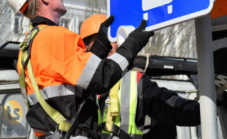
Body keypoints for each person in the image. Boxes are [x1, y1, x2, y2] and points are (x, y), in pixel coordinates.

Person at [5, 0, 154, 139]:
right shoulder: (57, 36)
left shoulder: (28, 46)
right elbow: (102, 78)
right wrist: (132, 44)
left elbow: (76, 84)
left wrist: (99, 48)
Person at [80, 15, 213, 139]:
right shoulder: (74, 81)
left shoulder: (133, 82)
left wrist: (209, 107)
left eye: (111, 39)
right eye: (100, 41)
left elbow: (171, 107)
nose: (108, 46)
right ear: (85, 47)